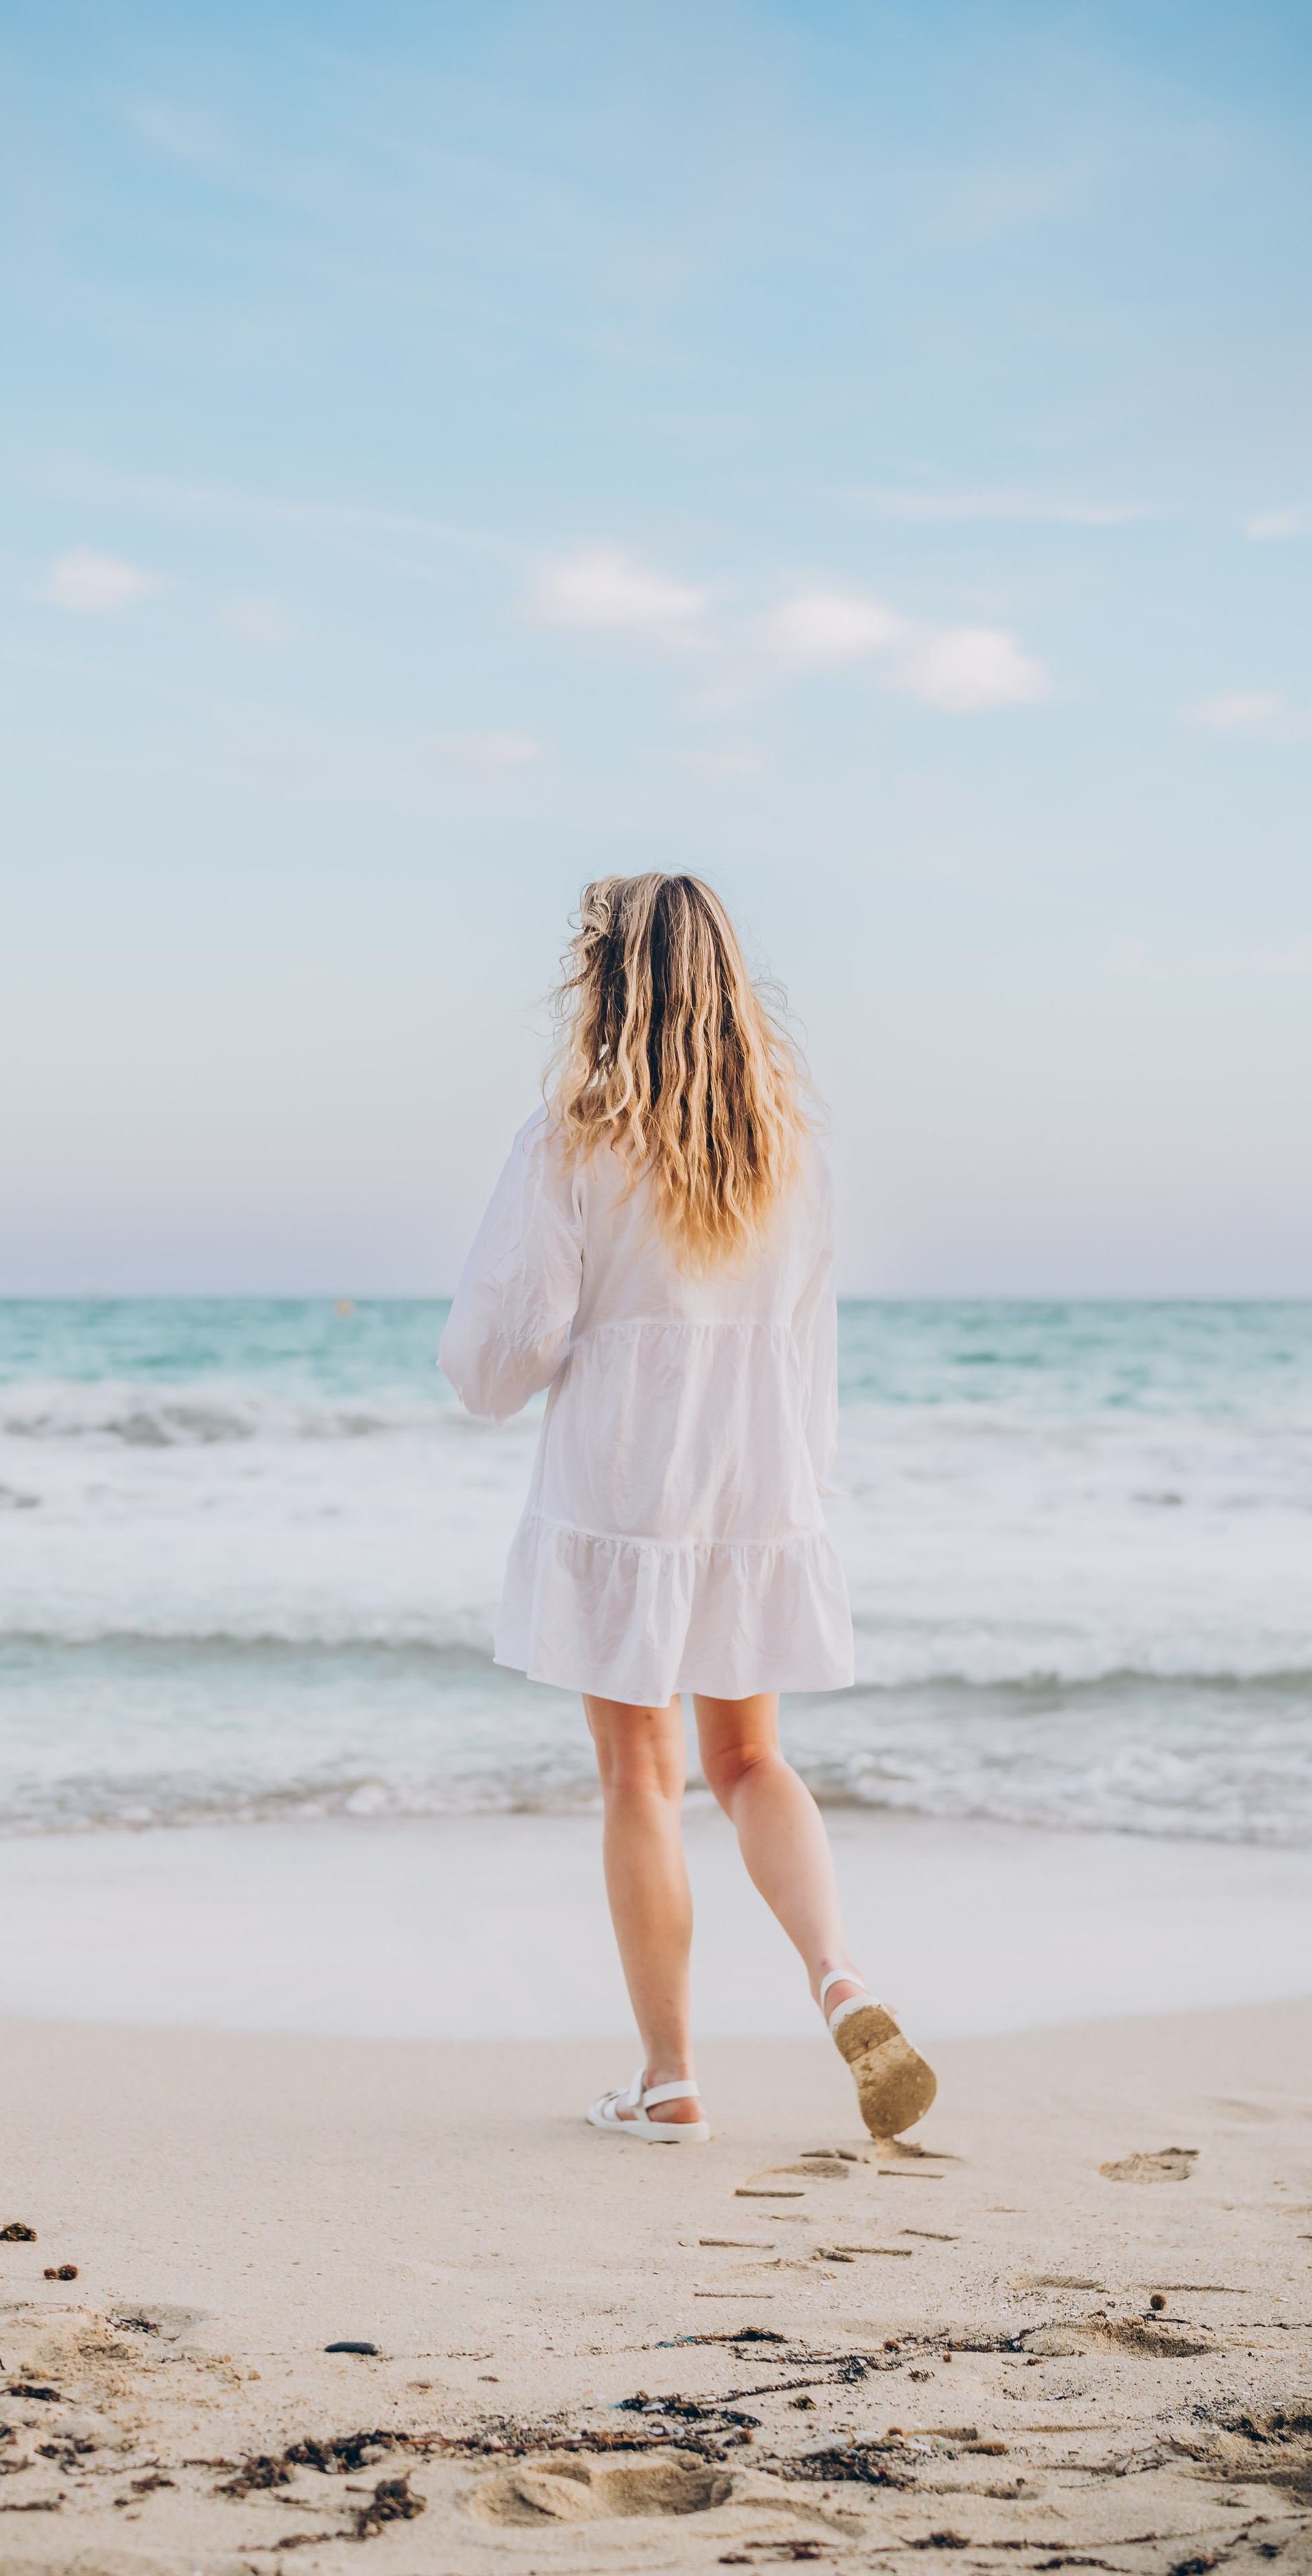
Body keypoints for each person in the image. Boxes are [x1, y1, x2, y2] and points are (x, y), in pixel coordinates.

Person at [439, 871, 935, 2144]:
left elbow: (514, 1344)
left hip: (626, 1481)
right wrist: (796, 1495)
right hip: (755, 1480)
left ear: (608, 984)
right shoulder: (790, 1148)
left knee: (641, 1777)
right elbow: (808, 1346)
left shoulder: (573, 1133)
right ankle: (843, 1976)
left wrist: (481, 1373)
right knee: (752, 1759)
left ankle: (668, 2081)